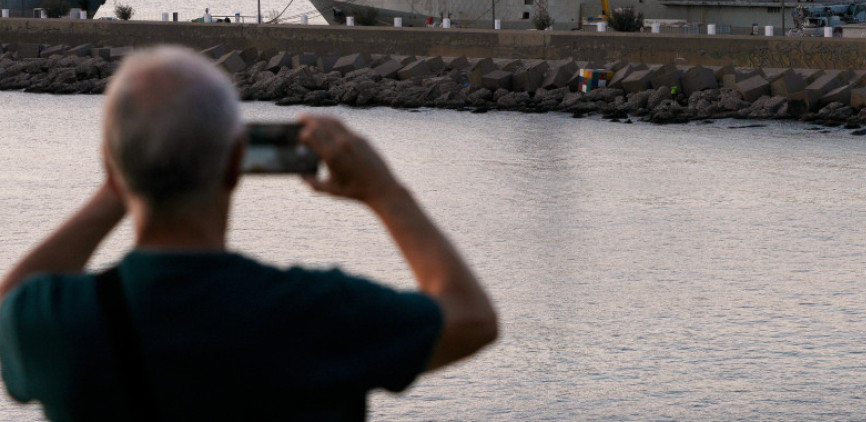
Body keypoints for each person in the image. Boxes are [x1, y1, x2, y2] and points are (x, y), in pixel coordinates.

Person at [0, 46, 497, 421]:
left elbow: (9, 305)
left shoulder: (59, 322)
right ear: (236, 162)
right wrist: (384, 191)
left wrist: (123, 178)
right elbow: (471, 319)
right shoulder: (320, 310)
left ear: (111, 165)